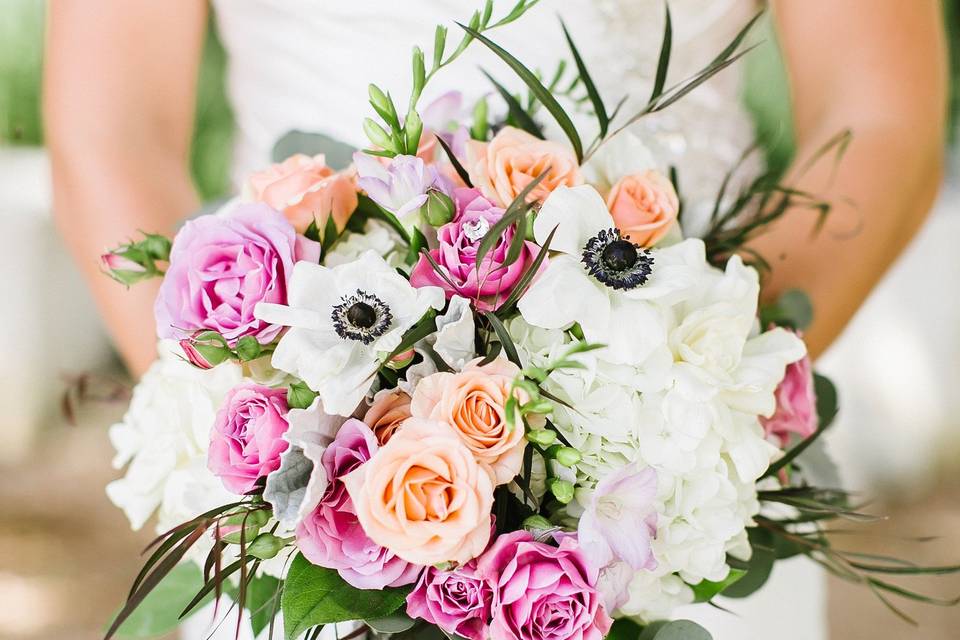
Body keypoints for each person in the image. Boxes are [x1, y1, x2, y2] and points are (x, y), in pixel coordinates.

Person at [44, 1, 948, 639]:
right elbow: (112, 125)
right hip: (310, 476)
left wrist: (694, 395)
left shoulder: (689, 429)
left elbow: (879, 113)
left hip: (680, 480)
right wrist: (260, 432)